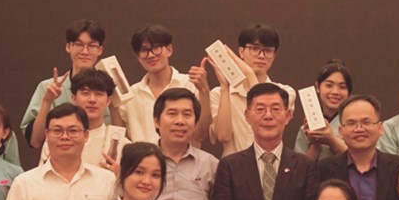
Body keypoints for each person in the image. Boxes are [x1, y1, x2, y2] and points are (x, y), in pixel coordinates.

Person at [318, 95, 399, 200]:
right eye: (351, 123)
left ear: (380, 128)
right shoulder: (323, 170)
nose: (359, 129)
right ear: (340, 132)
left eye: (366, 122)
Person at [209, 23, 297, 157]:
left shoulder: (285, 92)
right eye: (255, 49)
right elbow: (223, 136)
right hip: (232, 167)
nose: (261, 56)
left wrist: (249, 74)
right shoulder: (218, 93)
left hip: (269, 164)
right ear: (241, 51)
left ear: (274, 55)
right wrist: (225, 89)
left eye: (268, 51)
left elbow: (266, 119)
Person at [21, 19, 108, 154]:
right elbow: (35, 141)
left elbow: (118, 132)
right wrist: (47, 101)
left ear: (100, 50)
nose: (85, 51)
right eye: (78, 44)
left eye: (92, 45)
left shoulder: (108, 88)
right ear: (68, 47)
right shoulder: (48, 87)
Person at [115, 23, 211, 145]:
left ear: (169, 50)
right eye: (144, 50)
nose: (150, 55)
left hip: (184, 156)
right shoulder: (130, 96)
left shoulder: (190, 84)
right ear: (138, 57)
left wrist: (204, 91)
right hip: (142, 157)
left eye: (156, 47)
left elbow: (201, 135)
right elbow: (121, 137)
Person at [36, 69, 126, 168]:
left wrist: (117, 176)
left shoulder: (122, 144)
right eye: (85, 93)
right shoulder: (57, 139)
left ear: (108, 101)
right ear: (74, 99)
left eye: (99, 94)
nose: (92, 100)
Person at [294, 60, 352, 160]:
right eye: (329, 85)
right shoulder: (306, 129)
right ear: (317, 87)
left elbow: (361, 161)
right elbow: (299, 167)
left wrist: (331, 140)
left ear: (348, 92)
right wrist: (315, 144)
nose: (335, 92)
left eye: (342, 87)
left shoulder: (355, 127)